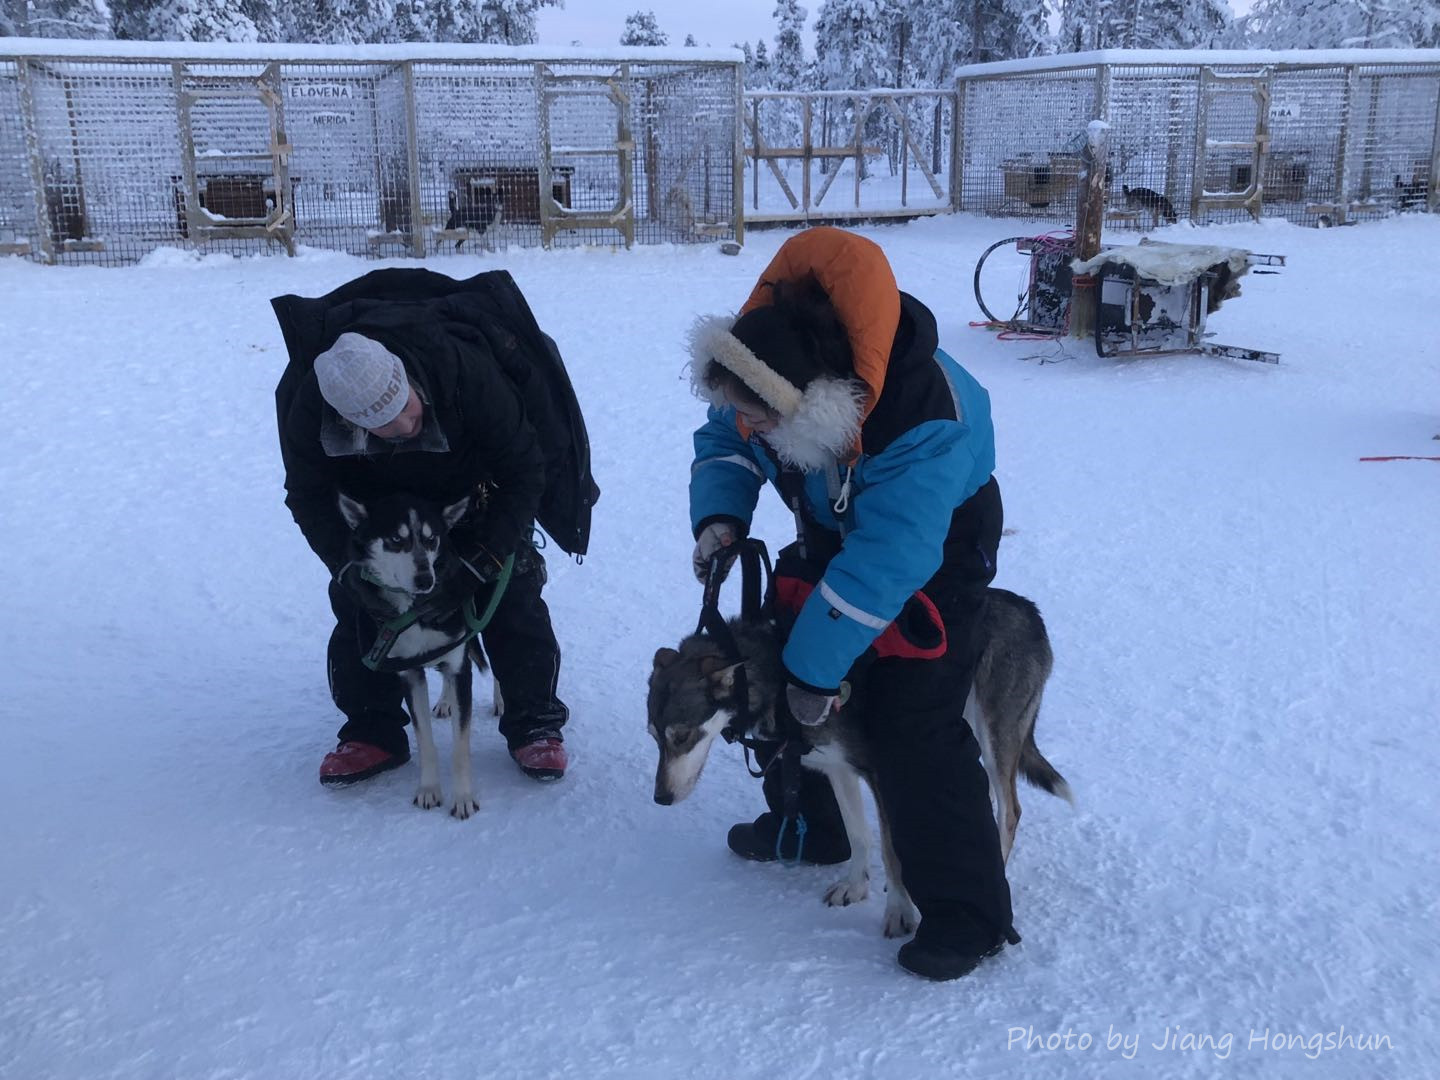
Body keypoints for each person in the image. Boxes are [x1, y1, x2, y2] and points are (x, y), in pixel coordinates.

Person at [686, 226, 1016, 980]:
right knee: (773, 671)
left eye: (765, 417)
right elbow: (728, 438)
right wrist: (721, 515)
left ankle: (968, 916)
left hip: (935, 544)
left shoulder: (924, 415)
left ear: (817, 403)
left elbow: (889, 560)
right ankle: (811, 825)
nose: (751, 424)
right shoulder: (766, 367)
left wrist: (817, 671)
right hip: (833, 508)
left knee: (910, 718)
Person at [272, 268, 598, 787]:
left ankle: (535, 722)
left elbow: (526, 470)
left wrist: (486, 555)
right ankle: (371, 730)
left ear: (407, 377)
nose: (403, 427)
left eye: (406, 409)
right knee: (361, 605)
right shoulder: (309, 406)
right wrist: (347, 565)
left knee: (512, 596)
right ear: (347, 422)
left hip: (475, 493)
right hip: (379, 510)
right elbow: (307, 495)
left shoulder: (468, 374)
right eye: (381, 425)